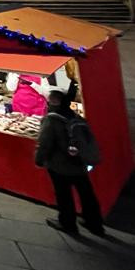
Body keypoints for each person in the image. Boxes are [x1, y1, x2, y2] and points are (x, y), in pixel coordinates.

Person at [36, 89, 105, 236]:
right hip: (79, 163)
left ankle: (67, 223)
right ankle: (95, 223)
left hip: (60, 165)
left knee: (63, 194)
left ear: (54, 101)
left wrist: (39, 159)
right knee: (86, 193)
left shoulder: (52, 119)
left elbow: (45, 143)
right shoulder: (76, 117)